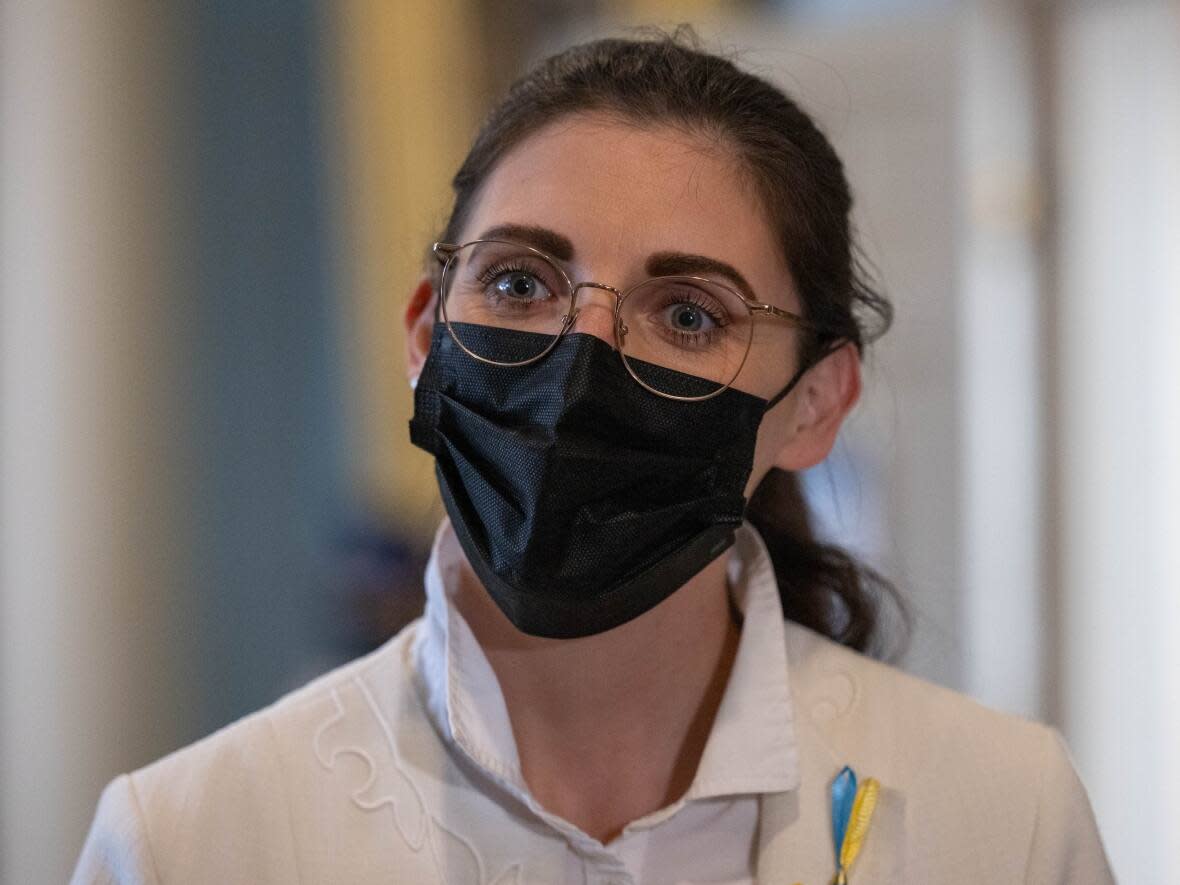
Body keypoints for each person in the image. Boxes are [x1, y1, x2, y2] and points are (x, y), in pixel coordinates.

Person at [73, 32, 1114, 885]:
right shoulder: (190, 842)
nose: (581, 365)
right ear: (426, 334)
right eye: (521, 283)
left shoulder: (1002, 819)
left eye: (689, 313)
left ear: (813, 405)